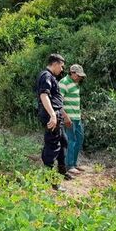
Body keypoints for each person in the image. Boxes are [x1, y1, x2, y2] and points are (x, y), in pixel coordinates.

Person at [36, 53, 73, 189]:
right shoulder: (46, 76)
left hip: (57, 115)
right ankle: (51, 181)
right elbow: (44, 95)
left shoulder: (51, 77)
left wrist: (62, 115)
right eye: (61, 66)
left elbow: (55, 100)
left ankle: (62, 171)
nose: (62, 70)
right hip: (52, 116)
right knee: (53, 146)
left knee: (63, 141)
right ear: (55, 63)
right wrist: (52, 115)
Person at [60, 64, 86, 176]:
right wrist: (65, 117)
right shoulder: (63, 82)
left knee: (79, 138)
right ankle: (69, 165)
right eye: (78, 75)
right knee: (71, 140)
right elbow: (58, 103)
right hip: (69, 118)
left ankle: (74, 164)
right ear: (72, 73)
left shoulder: (75, 83)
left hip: (77, 117)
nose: (80, 77)